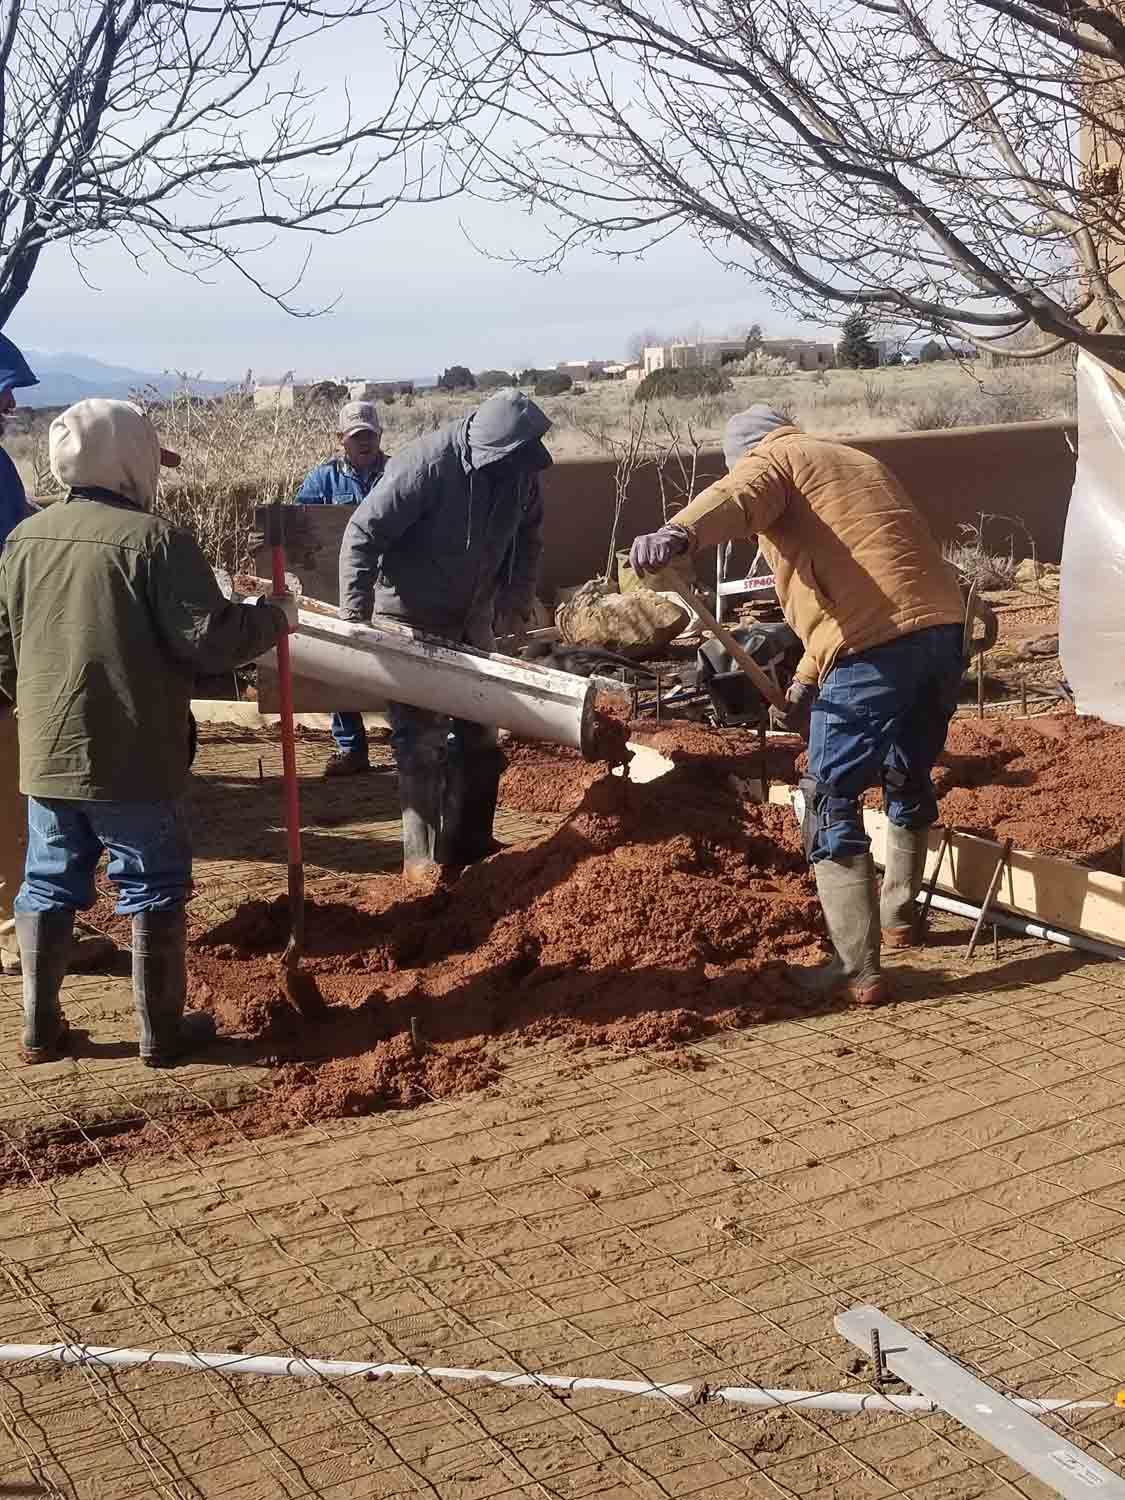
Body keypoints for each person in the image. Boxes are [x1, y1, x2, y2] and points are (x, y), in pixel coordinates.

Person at [630, 405, 965, 1007]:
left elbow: (737, 495)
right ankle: (900, 916)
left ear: (747, 451)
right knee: (905, 770)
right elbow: (864, 586)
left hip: (875, 643)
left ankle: (855, 968)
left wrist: (679, 533)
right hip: (941, 632)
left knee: (827, 793)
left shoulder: (775, 461)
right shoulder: (854, 462)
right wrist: (806, 684)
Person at [0, 399, 296, 1066]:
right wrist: (274, 616)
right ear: (128, 459)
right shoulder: (157, 542)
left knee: (48, 883)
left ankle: (39, 1033)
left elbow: (1, 648)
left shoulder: (22, 541)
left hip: (48, 755)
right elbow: (210, 641)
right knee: (153, 885)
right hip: (132, 756)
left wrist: (35, 707)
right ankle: (160, 1036)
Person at [339, 387, 551, 880]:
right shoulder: (426, 466)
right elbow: (363, 533)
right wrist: (355, 614)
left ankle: (470, 846)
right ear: (488, 451)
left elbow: (531, 536)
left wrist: (514, 599)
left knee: (481, 733)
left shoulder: (520, 474)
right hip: (411, 617)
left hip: (472, 617)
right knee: (419, 742)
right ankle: (421, 861)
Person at [296, 400, 389, 777]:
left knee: (398, 667)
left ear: (379, 436)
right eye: (356, 437)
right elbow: (300, 525)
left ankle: (408, 747)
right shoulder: (322, 481)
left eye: (369, 435)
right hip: (338, 589)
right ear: (341, 441)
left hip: (390, 588)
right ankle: (351, 750)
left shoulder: (398, 473)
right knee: (339, 664)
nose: (364, 443)